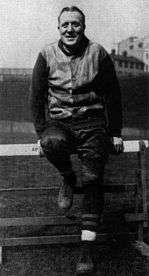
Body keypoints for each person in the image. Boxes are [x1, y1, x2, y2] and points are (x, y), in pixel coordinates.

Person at [30, 6, 123, 274]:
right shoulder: (46, 54)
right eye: (65, 25)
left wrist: (115, 132)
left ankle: (86, 252)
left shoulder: (98, 53)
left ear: (84, 26)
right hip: (59, 123)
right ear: (58, 28)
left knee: (93, 178)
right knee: (51, 143)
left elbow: (113, 95)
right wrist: (39, 134)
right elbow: (36, 98)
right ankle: (68, 178)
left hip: (93, 124)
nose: (70, 29)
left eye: (76, 24)